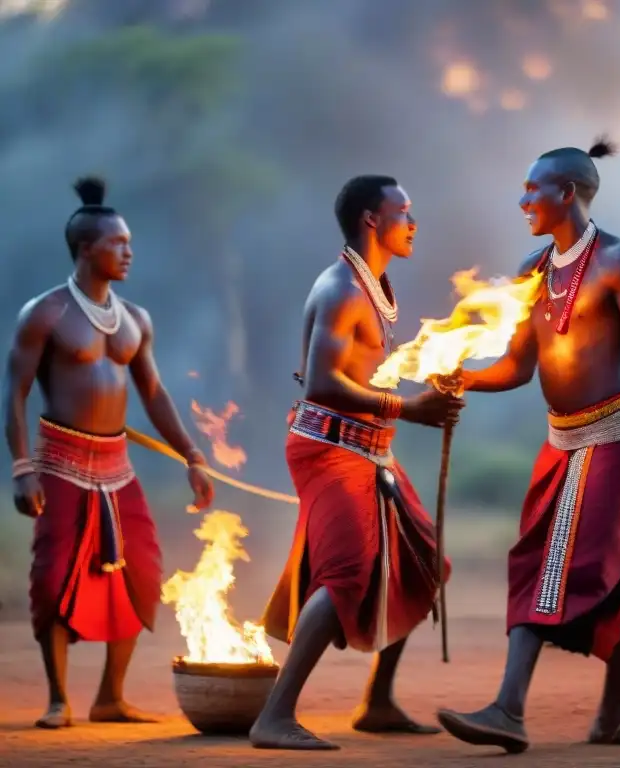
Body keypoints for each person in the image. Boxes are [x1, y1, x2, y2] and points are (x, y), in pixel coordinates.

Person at [434, 139, 620, 753]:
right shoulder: (533, 270)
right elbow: (519, 367)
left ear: (567, 193)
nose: (522, 199)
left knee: (553, 564)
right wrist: (465, 375)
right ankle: (612, 718)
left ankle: (508, 710)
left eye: (533, 189)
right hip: (561, 444)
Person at [250, 175, 464, 750]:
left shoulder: (375, 286)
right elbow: (322, 383)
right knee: (345, 574)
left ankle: (378, 702)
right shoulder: (343, 287)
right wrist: (408, 408)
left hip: (371, 449)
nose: (413, 221)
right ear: (372, 219)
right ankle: (274, 717)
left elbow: (366, 370)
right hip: (330, 449)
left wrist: (433, 382)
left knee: (418, 563)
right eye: (404, 211)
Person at [3, 176, 215, 729]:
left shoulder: (135, 318)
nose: (128, 252)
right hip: (60, 462)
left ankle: (110, 697)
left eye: (129, 242)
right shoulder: (44, 313)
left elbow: (153, 393)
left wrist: (193, 455)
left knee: (140, 573)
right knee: (53, 578)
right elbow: (16, 392)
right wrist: (22, 468)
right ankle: (57, 700)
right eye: (117, 243)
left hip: (118, 468)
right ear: (85, 249)